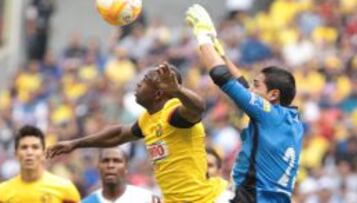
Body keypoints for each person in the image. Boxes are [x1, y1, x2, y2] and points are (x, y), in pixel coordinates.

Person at [47, 62, 227, 202]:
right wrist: (75, 144)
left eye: (145, 80)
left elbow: (198, 109)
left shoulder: (173, 112)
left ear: (159, 94)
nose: (138, 83)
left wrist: (178, 91)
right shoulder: (149, 119)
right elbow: (118, 134)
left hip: (203, 199)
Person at [186, 4, 304, 203]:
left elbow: (221, 77)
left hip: (252, 198)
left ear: (273, 95)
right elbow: (243, 87)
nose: (251, 89)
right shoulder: (291, 121)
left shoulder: (268, 113)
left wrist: (202, 35)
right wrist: (220, 53)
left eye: (256, 85)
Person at [0, 125, 80, 203]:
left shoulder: (65, 188)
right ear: (16, 154)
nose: (29, 152)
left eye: (35, 147)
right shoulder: (2, 193)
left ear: (43, 153)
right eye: (24, 147)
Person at [82, 147, 160, 203]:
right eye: (105, 161)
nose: (110, 165)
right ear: (98, 167)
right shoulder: (88, 201)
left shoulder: (147, 198)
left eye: (117, 161)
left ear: (126, 167)